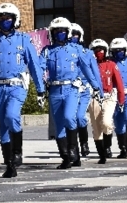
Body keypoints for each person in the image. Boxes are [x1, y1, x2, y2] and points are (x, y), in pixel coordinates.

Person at [0, 3, 46, 178]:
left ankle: (17, 151)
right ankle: (9, 163)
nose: (5, 21)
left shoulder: (23, 39)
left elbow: (34, 65)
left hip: (16, 86)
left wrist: (40, 89)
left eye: (8, 18)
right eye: (2, 18)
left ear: (15, 20)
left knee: (12, 116)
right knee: (3, 125)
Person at [40, 18, 101, 169]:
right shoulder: (47, 51)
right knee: (59, 125)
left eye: (63, 31)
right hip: (54, 89)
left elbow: (86, 68)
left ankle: (74, 150)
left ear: (67, 33)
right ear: (52, 33)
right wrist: (39, 87)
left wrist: (95, 86)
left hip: (71, 88)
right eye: (57, 31)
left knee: (69, 117)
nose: (60, 33)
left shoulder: (76, 50)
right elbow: (40, 68)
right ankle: (66, 157)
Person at [88, 39, 125, 164]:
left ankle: (107, 146)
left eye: (101, 50)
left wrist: (121, 100)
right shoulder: (89, 65)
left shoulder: (111, 64)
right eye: (96, 50)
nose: (99, 52)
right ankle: (102, 154)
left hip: (109, 96)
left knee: (107, 123)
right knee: (96, 127)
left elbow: (119, 83)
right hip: (94, 97)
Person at [69, 23, 103, 157]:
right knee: (70, 118)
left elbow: (95, 73)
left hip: (83, 90)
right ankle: (72, 146)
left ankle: (84, 143)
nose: (73, 37)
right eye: (71, 34)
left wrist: (99, 90)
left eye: (76, 34)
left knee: (79, 117)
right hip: (69, 89)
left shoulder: (87, 53)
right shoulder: (64, 50)